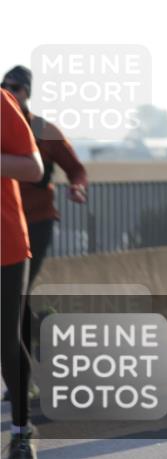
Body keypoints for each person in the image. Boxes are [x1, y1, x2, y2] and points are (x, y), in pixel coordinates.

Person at [2, 67, 87, 373]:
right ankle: (43, 327)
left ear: (27, 92)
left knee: (15, 298)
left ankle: (22, 380)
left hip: (37, 222)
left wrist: (77, 187)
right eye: (4, 85)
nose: (9, 90)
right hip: (6, 225)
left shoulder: (44, 131)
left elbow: (76, 168)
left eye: (16, 87)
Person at [2, 87, 44, 459]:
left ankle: (21, 430)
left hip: (6, 246)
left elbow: (33, 167)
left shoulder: (1, 102)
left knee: (5, 338)